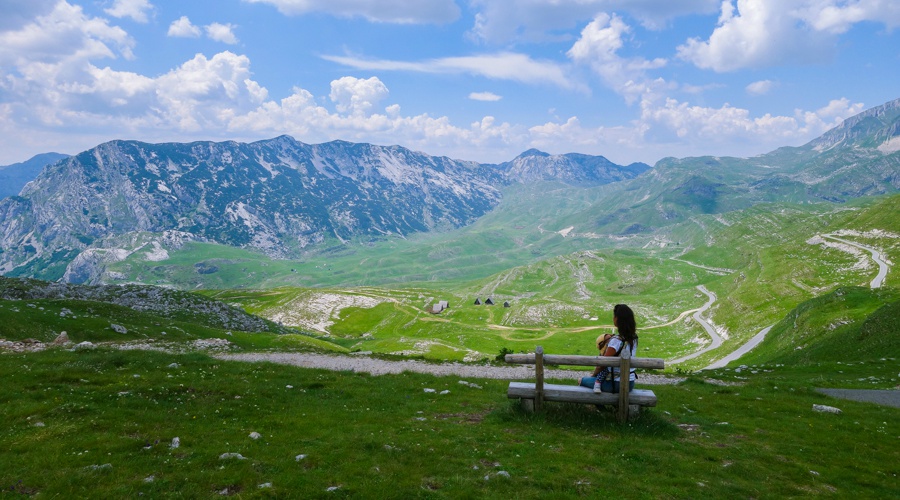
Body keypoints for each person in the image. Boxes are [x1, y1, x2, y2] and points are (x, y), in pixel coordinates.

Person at [579, 304, 638, 394]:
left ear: (618, 319)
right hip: (630, 383)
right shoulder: (634, 338)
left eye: (614, 316)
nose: (613, 318)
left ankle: (601, 408)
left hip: (616, 383)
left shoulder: (616, 341)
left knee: (581, 380)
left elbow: (602, 364)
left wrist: (593, 375)